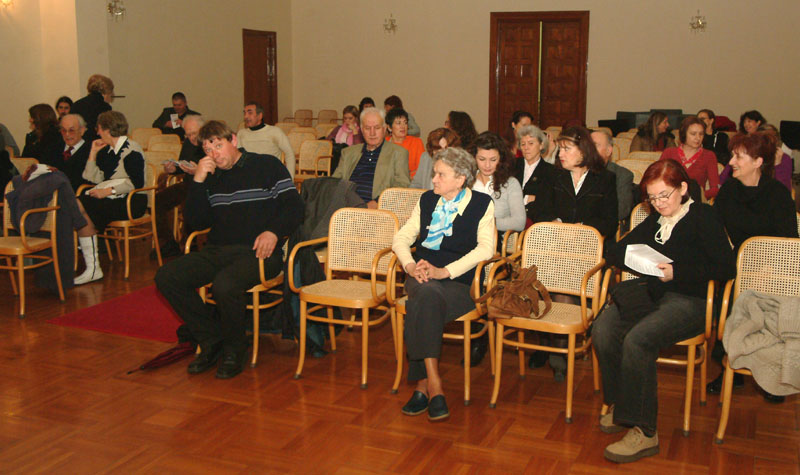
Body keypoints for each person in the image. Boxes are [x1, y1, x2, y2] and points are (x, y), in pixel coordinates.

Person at [593, 159, 735, 463]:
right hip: (654, 294)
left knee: (638, 339)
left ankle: (645, 432)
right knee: (603, 329)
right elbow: (616, 250)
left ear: (683, 188)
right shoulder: (655, 219)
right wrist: (643, 260)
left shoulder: (703, 216)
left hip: (692, 300)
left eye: (664, 196)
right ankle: (624, 404)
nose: (658, 204)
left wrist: (677, 271)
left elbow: (725, 266)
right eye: (652, 197)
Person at [155, 120, 303, 379]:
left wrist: (274, 232)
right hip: (218, 250)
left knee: (224, 284)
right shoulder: (210, 177)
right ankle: (211, 339)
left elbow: (295, 207)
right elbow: (196, 222)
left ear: (233, 141)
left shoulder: (266, 165)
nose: (214, 154)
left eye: (218, 145)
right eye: (208, 149)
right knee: (167, 276)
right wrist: (198, 181)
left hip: (260, 252)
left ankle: (236, 349)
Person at [392, 147, 495, 421]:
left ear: (460, 179)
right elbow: (400, 239)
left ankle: (424, 384)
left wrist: (444, 271)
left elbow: (486, 250)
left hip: (461, 282)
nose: (433, 179)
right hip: (421, 275)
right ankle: (435, 383)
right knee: (425, 293)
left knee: (424, 300)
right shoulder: (427, 201)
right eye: (435, 173)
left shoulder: (482, 205)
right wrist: (411, 266)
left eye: (440, 174)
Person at [707, 131, 798, 403]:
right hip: (738, 269)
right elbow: (714, 233)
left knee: (764, 309)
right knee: (728, 295)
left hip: (773, 272)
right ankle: (733, 367)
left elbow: (790, 244)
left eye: (738, 157)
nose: (731, 162)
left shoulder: (778, 195)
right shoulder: (729, 192)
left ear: (758, 162)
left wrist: (765, 269)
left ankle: (772, 375)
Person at [74, 111, 147, 285]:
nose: (97, 133)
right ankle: (92, 267)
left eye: (99, 129)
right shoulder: (108, 152)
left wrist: (109, 191)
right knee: (80, 209)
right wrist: (92, 153)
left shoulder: (132, 148)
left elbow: (137, 183)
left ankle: (89, 261)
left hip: (131, 200)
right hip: (113, 198)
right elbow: (93, 178)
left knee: (80, 207)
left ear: (107, 129)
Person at [544, 126, 618, 240]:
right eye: (560, 149)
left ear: (583, 151)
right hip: (554, 240)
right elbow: (540, 210)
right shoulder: (552, 175)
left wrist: (583, 227)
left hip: (590, 243)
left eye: (566, 149)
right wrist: (554, 221)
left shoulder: (605, 179)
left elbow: (610, 223)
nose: (560, 154)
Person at [332, 107, 410, 207]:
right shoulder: (348, 153)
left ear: (384, 128)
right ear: (361, 129)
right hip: (346, 207)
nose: (372, 133)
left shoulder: (398, 153)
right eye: (367, 128)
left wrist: (378, 202)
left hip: (378, 210)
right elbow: (334, 182)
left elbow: (402, 186)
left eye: (377, 128)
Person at [154, 114, 206, 258]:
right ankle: (169, 243)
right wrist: (173, 169)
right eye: (188, 134)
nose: (191, 138)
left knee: (189, 201)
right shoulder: (189, 143)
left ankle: (193, 244)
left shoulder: (210, 142)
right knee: (158, 200)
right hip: (188, 183)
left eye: (194, 133)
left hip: (206, 186)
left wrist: (199, 171)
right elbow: (182, 163)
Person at [660, 116, 720, 200]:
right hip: (669, 201)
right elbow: (658, 180)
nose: (698, 138)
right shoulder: (669, 153)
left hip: (695, 202)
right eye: (693, 134)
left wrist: (697, 195)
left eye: (701, 134)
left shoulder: (709, 156)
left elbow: (715, 188)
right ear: (684, 134)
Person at [236, 101, 295, 177]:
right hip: (249, 176)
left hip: (271, 175)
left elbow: (289, 154)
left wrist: (290, 179)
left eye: (250, 113)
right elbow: (238, 157)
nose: (246, 117)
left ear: (260, 116)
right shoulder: (241, 133)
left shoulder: (275, 131)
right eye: (244, 113)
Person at [514, 125, 555, 225]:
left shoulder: (550, 171)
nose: (526, 147)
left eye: (531, 143)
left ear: (541, 145)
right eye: (523, 144)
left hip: (536, 222)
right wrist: (528, 198)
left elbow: (545, 202)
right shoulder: (512, 165)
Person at [592, 130, 635, 223]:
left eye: (595, 145)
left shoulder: (622, 175)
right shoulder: (577, 172)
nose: (590, 149)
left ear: (609, 151)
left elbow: (621, 211)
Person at [71, 74, 114, 140]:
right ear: (106, 91)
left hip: (80, 142)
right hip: (97, 142)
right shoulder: (104, 107)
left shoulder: (77, 104)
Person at [385, 108, 425, 178]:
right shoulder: (383, 144)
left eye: (405, 123)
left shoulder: (416, 142)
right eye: (398, 123)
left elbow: (421, 171)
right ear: (389, 128)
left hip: (411, 185)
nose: (403, 126)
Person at [55, 114, 91, 190]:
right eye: (64, 130)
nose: (67, 134)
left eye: (71, 130)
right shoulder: (54, 148)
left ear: (82, 130)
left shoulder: (91, 151)